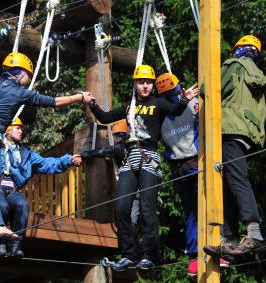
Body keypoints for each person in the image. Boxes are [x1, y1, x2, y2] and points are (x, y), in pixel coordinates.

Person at [0, 51, 90, 239]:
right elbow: (55, 102)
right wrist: (79, 97)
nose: (29, 80)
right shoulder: (20, 93)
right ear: (19, 73)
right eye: (28, 76)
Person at [84, 65, 199, 271]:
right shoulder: (130, 106)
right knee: (121, 208)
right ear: (135, 84)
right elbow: (105, 117)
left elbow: (176, 110)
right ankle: (129, 254)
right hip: (130, 157)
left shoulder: (158, 104)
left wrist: (185, 98)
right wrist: (92, 104)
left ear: (153, 85)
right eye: (141, 82)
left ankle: (150, 255)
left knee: (147, 208)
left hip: (149, 157)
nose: (145, 86)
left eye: (148, 82)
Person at [203, 35, 266, 258]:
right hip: (245, 131)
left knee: (236, 180)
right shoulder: (256, 75)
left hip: (229, 129)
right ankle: (228, 239)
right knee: (228, 182)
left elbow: (211, 90)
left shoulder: (233, 66)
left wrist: (203, 85)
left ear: (237, 50)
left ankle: (254, 233)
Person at [0, 118, 81, 257]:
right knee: (1, 205)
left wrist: (68, 160)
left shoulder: (26, 154)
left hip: (13, 189)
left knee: (22, 204)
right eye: (18, 128)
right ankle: (0, 242)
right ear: (8, 130)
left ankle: (15, 245)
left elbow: (47, 163)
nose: (21, 131)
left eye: (22, 128)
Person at [156, 73, 201, 275]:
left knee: (191, 213)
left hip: (178, 172)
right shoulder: (193, 104)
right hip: (195, 165)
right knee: (210, 207)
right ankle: (221, 246)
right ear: (178, 88)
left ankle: (194, 259)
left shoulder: (159, 114)